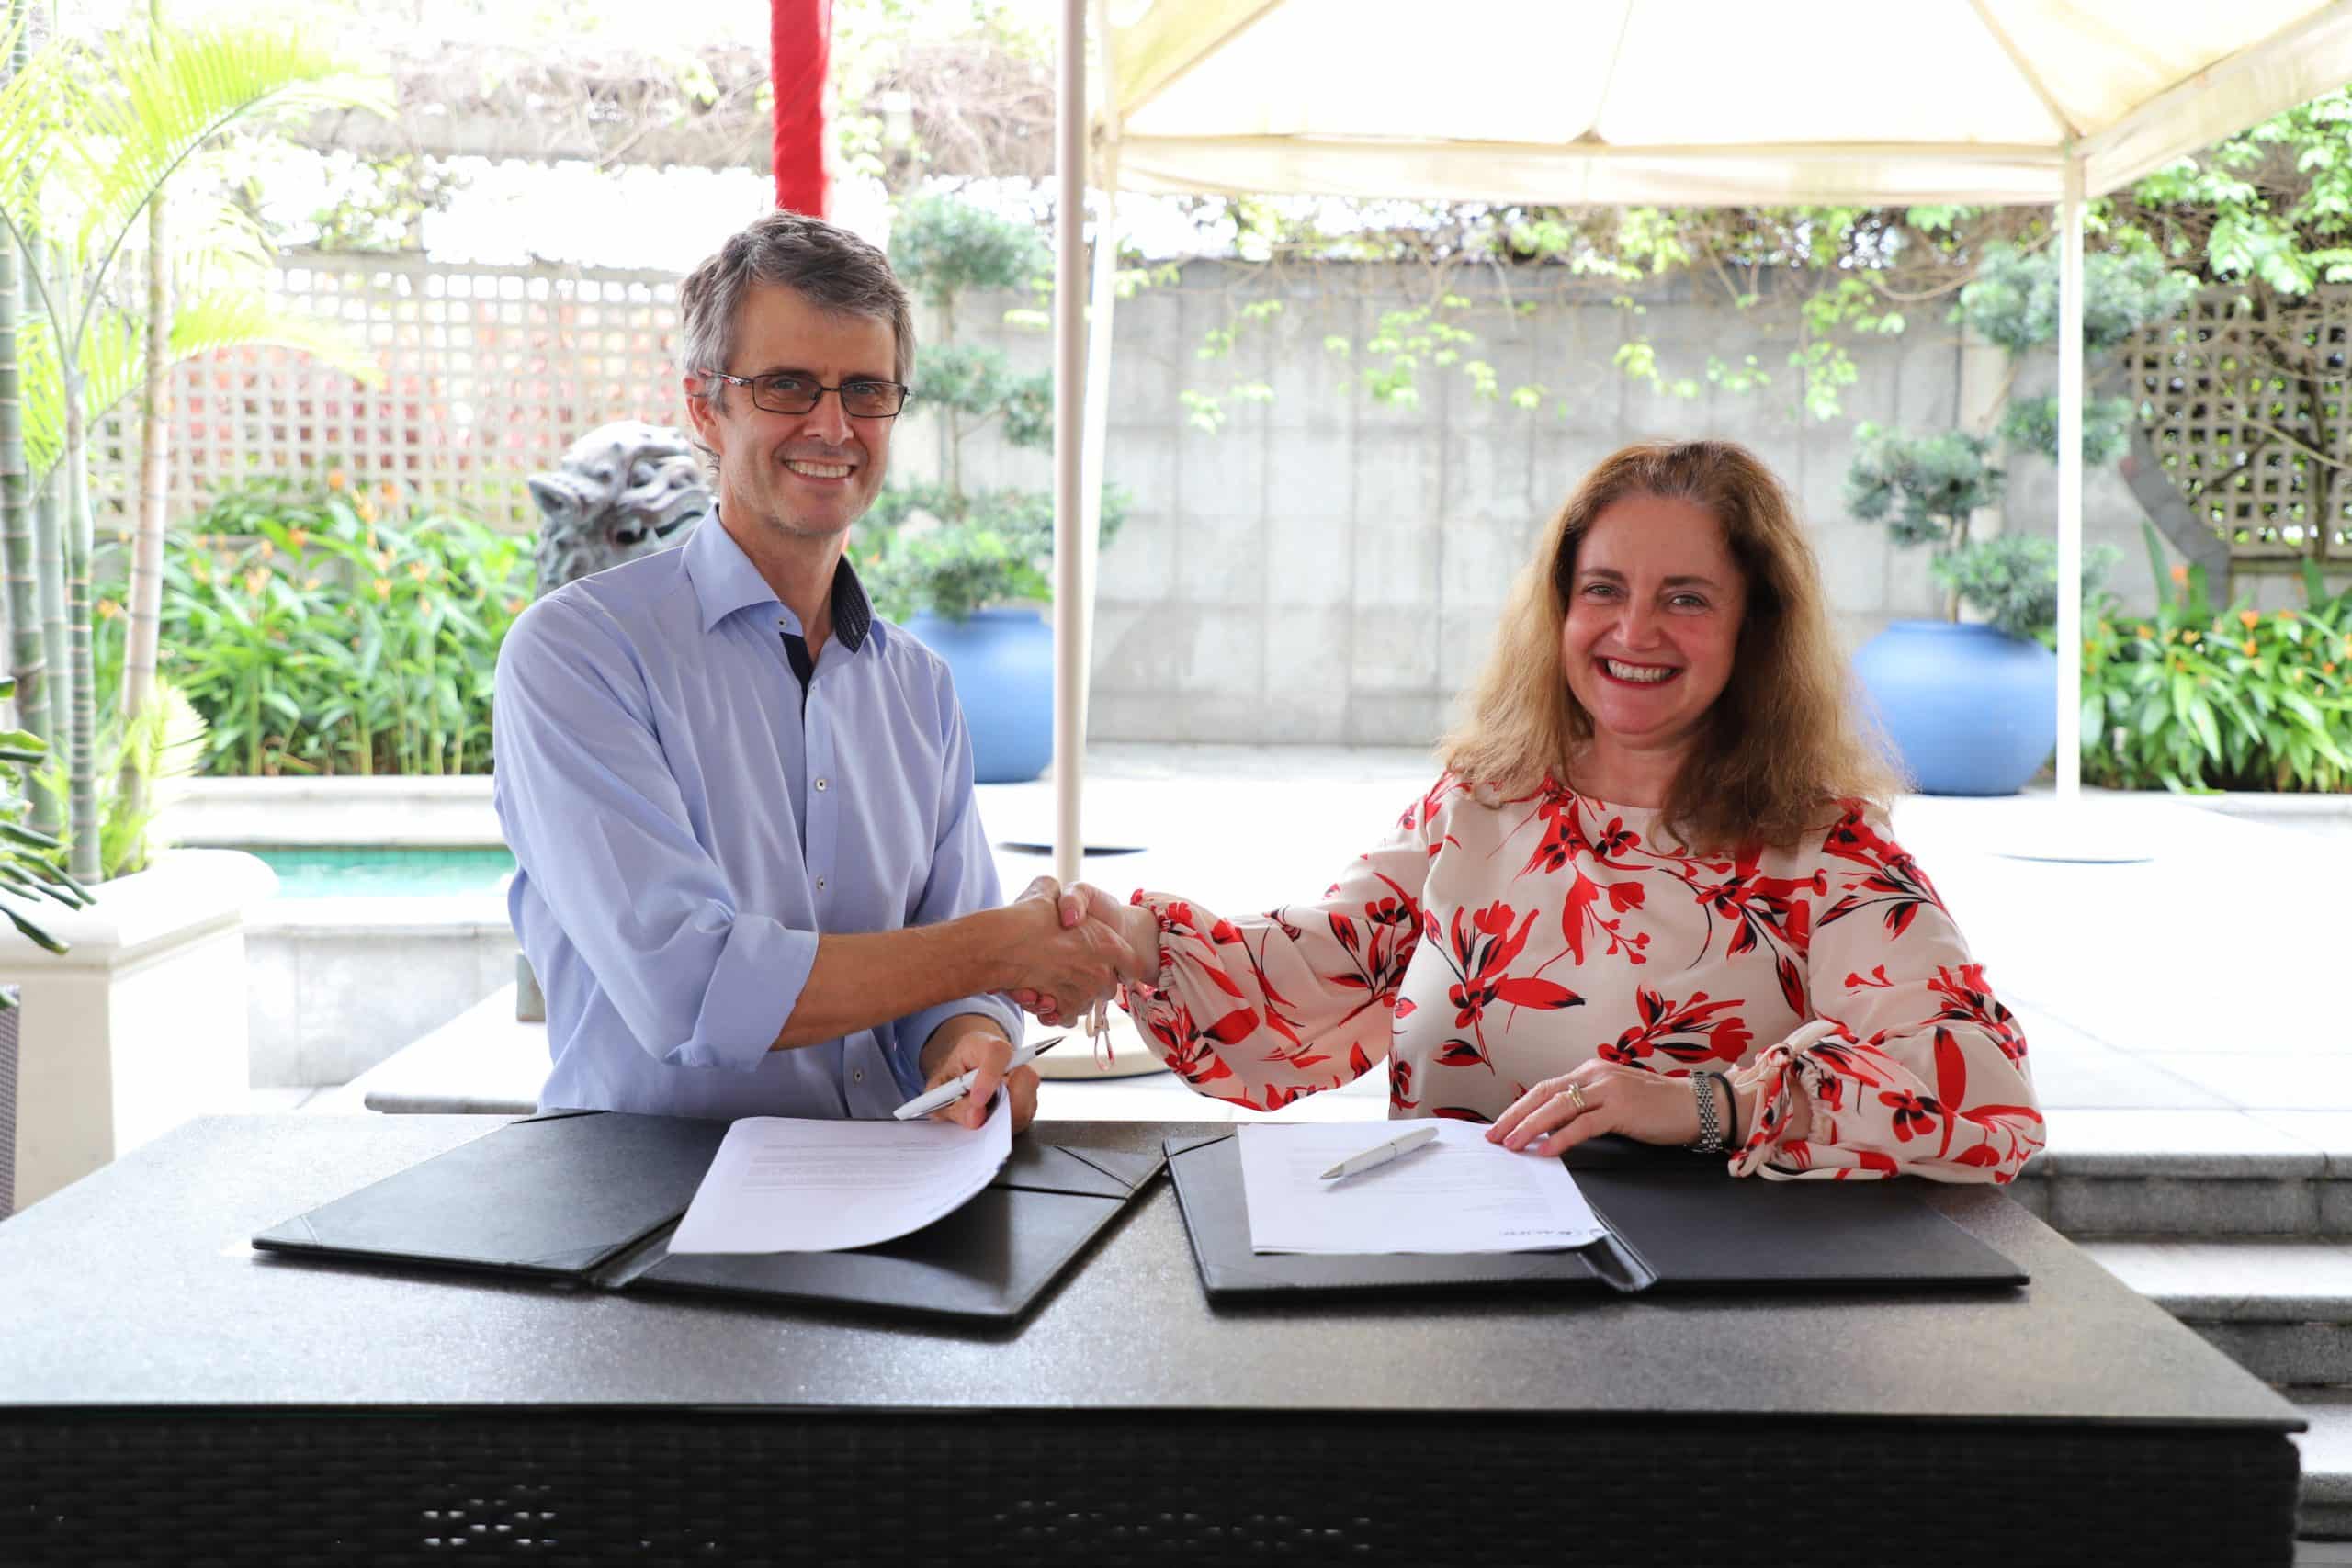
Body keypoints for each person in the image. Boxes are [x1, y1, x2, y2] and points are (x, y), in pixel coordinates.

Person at [1022, 439, 2042, 1182]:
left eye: (1686, 597)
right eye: (1603, 589)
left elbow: (1983, 1094)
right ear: (1559, 607)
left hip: (1706, 1329)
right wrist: (1136, 942)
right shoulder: (1483, 797)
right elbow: (1316, 975)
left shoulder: (1821, 848)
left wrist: (1704, 1104)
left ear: (1755, 628)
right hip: (1458, 1297)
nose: (1633, 630)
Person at [492, 210, 1125, 1131]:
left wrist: (972, 1046)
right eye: (787, 385)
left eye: (866, 390)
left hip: (896, 1182)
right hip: (649, 1194)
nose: (833, 426)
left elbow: (952, 983)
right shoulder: (578, 655)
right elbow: (692, 988)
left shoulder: (919, 688)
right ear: (705, 408)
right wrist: (1000, 948)